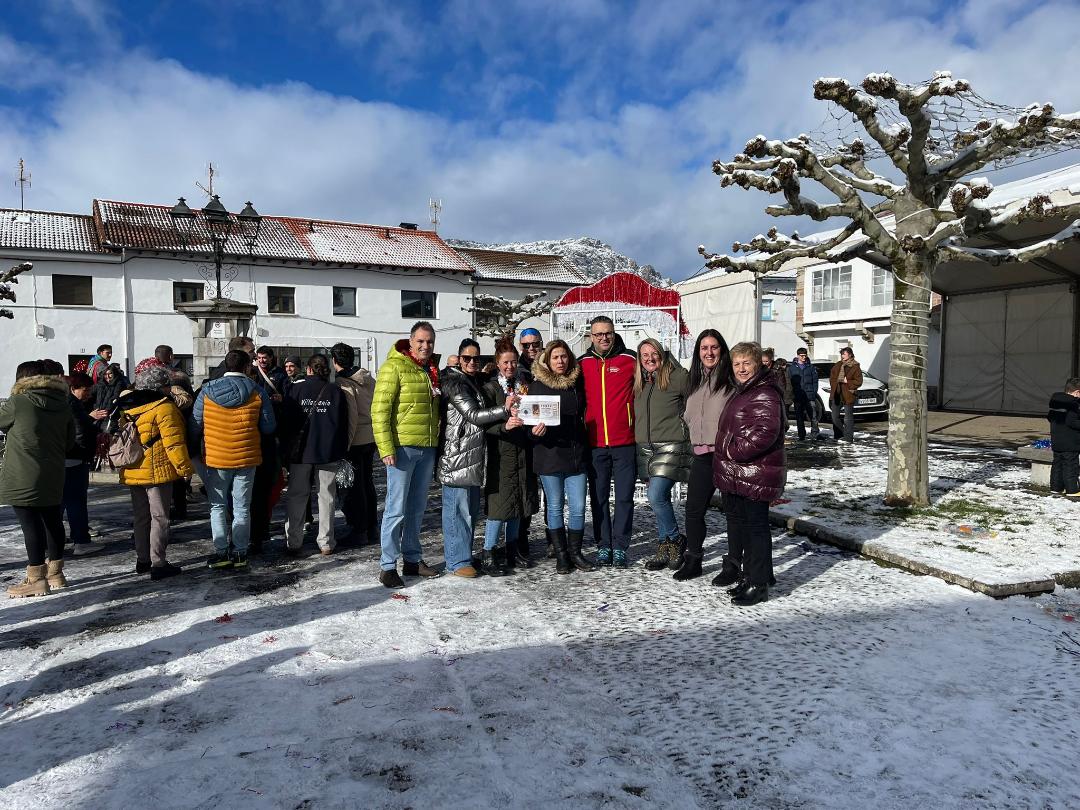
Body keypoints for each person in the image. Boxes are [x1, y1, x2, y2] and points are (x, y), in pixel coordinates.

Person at [713, 342, 786, 606]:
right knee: (746, 527)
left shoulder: (764, 392)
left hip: (756, 472)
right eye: (737, 364)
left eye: (747, 363)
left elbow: (766, 432)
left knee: (756, 529)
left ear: (758, 364)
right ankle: (752, 576)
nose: (741, 368)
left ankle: (759, 584)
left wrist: (733, 451)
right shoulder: (745, 390)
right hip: (743, 473)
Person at [372, 322, 443, 588]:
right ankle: (388, 564)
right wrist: (386, 448)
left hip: (426, 446)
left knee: (416, 508)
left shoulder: (430, 370)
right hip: (402, 448)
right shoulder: (394, 367)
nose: (426, 346)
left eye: (430, 342)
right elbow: (380, 411)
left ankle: (412, 558)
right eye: (421, 341)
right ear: (410, 341)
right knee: (396, 508)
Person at [192, 350, 277, 570]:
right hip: (247, 456)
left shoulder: (206, 392)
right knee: (242, 507)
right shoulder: (257, 391)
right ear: (248, 366)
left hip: (216, 457)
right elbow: (269, 427)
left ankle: (221, 553)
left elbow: (195, 423)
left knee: (217, 506)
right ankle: (240, 552)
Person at [438, 338, 515, 577]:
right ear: (459, 359)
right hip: (456, 457)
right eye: (467, 358)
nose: (472, 362)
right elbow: (473, 414)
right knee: (456, 511)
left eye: (476, 358)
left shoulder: (472, 381)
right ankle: (457, 561)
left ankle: (464, 556)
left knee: (469, 511)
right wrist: (505, 410)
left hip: (471, 456)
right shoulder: (455, 384)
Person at [0, 360, 75, 597]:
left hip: (23, 472)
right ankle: (55, 573)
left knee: (30, 525)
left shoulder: (19, 402)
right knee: (53, 521)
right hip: (53, 471)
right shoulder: (63, 404)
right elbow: (70, 442)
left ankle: (35, 578)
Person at [114, 365, 194, 580]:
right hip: (157, 470)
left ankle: (142, 560)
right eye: (168, 385)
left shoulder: (128, 407)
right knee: (160, 518)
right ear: (160, 387)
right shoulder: (164, 408)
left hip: (133, 468)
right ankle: (158, 562)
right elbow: (174, 444)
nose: (170, 389)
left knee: (141, 517)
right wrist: (185, 469)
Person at [673, 329, 735, 583]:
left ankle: (734, 563)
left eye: (714, 347)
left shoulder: (731, 380)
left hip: (727, 456)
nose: (709, 353)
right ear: (698, 353)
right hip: (701, 455)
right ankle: (694, 560)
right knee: (693, 510)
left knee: (733, 512)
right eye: (704, 348)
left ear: (722, 350)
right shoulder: (694, 381)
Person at [528, 339, 593, 574]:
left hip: (575, 455)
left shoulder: (576, 383)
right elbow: (529, 425)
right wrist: (535, 432)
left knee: (577, 507)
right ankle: (561, 554)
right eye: (555, 357)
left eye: (564, 356)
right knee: (554, 507)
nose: (560, 361)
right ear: (547, 360)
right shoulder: (537, 387)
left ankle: (576, 552)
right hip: (549, 455)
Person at [578, 315, 637, 567]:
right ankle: (603, 545)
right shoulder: (582, 363)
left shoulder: (630, 359)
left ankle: (621, 545)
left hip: (625, 441)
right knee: (599, 497)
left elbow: (661, 370)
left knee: (624, 496)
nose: (604, 337)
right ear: (591, 336)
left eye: (608, 333)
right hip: (594, 443)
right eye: (598, 334)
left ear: (614, 333)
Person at [480, 337, 541, 576]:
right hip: (501, 451)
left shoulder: (524, 383)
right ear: (497, 363)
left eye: (514, 362)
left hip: (523, 450)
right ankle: (488, 552)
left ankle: (512, 549)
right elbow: (484, 423)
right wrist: (505, 426)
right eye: (505, 363)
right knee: (499, 506)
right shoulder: (490, 388)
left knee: (518, 502)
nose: (510, 367)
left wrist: (535, 426)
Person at [634, 338, 692, 571]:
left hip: (670, 445)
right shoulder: (640, 382)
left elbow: (695, 402)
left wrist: (687, 429)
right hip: (645, 448)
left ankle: (676, 539)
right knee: (661, 501)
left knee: (656, 496)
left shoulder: (678, 377)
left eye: (653, 353)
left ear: (662, 353)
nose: (649, 358)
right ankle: (663, 546)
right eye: (644, 355)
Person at [281, 354, 348, 556]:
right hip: (327, 451)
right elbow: (343, 424)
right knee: (326, 496)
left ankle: (294, 540)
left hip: (300, 452)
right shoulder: (336, 391)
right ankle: (326, 542)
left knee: (297, 496)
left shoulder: (295, 389)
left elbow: (286, 423)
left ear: (309, 369)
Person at [331, 342, 379, 545]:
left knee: (353, 487)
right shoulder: (368, 379)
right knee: (367, 483)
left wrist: (345, 445)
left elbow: (350, 416)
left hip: (355, 438)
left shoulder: (344, 382)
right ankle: (371, 527)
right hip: (371, 436)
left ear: (334, 361)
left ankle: (359, 529)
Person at [250, 345, 289, 552]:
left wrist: (281, 398)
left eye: (266, 357)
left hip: (274, 428)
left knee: (271, 479)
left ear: (272, 359)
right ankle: (258, 527)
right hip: (256, 429)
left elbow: (287, 396)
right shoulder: (252, 374)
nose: (262, 360)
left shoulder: (280, 375)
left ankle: (261, 525)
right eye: (260, 357)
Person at [512, 326, 545, 564]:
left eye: (535, 344)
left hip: (551, 434)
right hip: (524, 436)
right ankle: (520, 538)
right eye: (526, 345)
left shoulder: (551, 363)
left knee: (553, 493)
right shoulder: (517, 369)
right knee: (525, 489)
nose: (531, 348)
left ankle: (555, 538)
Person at [63, 372, 104, 556]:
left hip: (67, 458)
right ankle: (81, 541)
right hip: (75, 458)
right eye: (85, 390)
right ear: (73, 389)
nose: (88, 394)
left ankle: (55, 540)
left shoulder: (67, 401)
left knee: (64, 501)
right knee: (76, 501)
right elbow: (80, 432)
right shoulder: (72, 403)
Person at [1047, 377, 1080, 496]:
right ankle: (1072, 490)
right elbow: (1072, 422)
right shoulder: (1073, 403)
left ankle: (1056, 488)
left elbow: (1050, 418)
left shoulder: (1055, 401)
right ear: (1077, 392)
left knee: (1057, 465)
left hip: (1057, 439)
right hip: (1071, 441)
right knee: (1071, 465)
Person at [828, 347, 862, 443]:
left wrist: (848, 381)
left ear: (850, 355)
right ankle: (839, 435)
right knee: (834, 416)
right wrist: (834, 385)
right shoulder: (838, 365)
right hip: (837, 393)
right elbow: (832, 377)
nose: (842, 356)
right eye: (842, 354)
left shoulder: (855, 366)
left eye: (844, 354)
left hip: (848, 394)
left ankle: (848, 437)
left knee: (848, 418)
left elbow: (859, 382)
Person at [789, 348, 820, 441]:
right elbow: (790, 382)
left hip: (809, 394)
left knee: (813, 416)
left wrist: (813, 392)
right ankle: (801, 435)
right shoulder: (792, 368)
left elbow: (815, 381)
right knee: (799, 417)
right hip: (798, 395)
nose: (804, 357)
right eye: (802, 356)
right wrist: (793, 394)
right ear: (798, 356)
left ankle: (815, 434)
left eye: (805, 355)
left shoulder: (810, 367)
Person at [91, 363, 128, 428]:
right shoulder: (100, 385)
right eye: (105, 374)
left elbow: (115, 398)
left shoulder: (119, 384)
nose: (107, 376)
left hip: (111, 417)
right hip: (97, 416)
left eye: (110, 374)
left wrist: (106, 411)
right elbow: (90, 395)